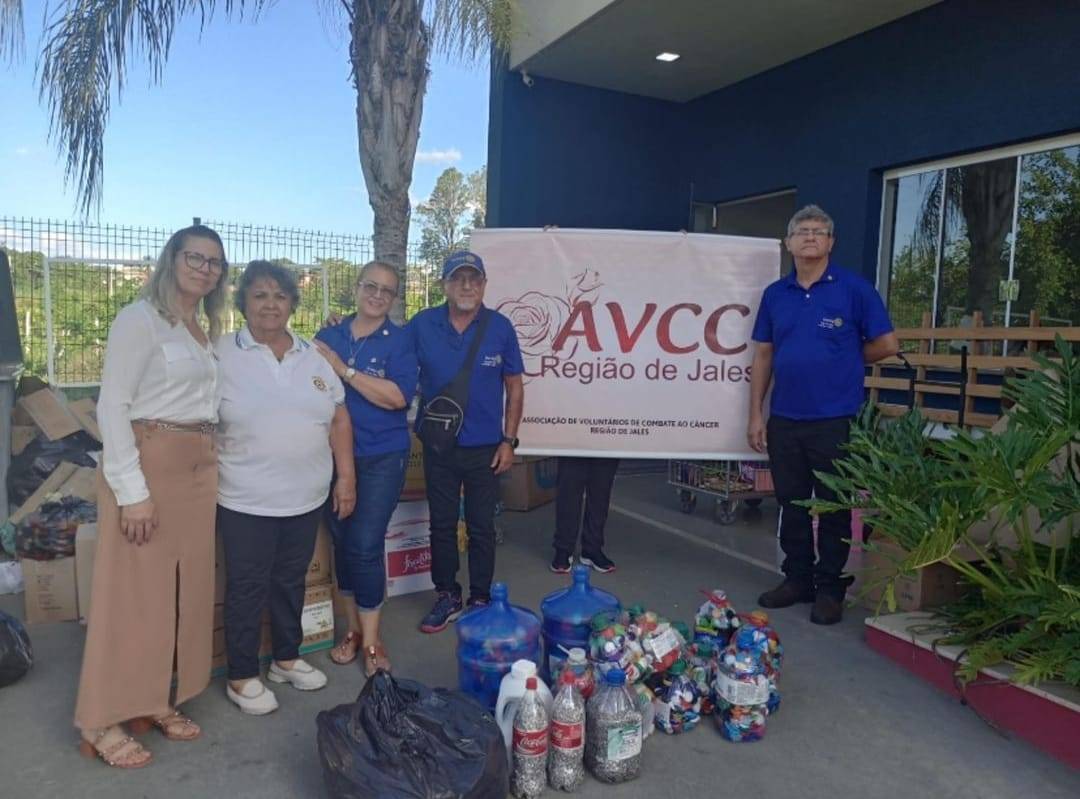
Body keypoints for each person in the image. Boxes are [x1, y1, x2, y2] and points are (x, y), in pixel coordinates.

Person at [74, 225, 228, 768]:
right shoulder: (138, 320)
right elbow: (112, 406)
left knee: (179, 594)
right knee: (133, 596)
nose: (204, 268)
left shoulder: (201, 330)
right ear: (172, 260)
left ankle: (154, 698)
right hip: (149, 468)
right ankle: (98, 717)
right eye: (195, 257)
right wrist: (132, 492)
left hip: (196, 472)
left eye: (214, 262)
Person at [214, 261, 356, 714]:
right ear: (244, 303)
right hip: (244, 498)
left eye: (279, 295)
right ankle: (240, 676)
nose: (270, 303)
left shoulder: (312, 355)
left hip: (305, 496)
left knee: (290, 581)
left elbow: (338, 416)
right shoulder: (220, 354)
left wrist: (346, 476)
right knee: (246, 586)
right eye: (259, 295)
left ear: (293, 303)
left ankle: (286, 659)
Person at [747, 205, 899, 625]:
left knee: (833, 506)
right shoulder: (776, 295)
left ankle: (830, 587)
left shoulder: (854, 289)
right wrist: (756, 415)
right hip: (785, 419)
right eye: (802, 231)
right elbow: (763, 355)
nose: (810, 236)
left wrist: (848, 358)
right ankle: (797, 579)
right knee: (791, 503)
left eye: (819, 231)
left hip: (837, 418)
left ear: (831, 242)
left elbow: (887, 344)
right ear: (789, 242)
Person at [408, 251, 524, 633]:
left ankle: (479, 597)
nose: (467, 286)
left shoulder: (500, 327)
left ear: (485, 285)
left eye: (474, 278)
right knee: (441, 524)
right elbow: (390, 352)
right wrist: (346, 329)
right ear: (444, 285)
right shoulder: (422, 324)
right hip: (439, 446)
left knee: (481, 526)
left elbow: (514, 386)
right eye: (458, 278)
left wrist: (509, 441)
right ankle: (447, 595)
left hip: (486, 448)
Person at [314, 261, 417, 675]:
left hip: (381, 457)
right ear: (356, 288)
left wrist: (345, 370)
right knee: (343, 545)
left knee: (365, 545)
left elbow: (397, 397)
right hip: (332, 458)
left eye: (386, 291)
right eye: (370, 286)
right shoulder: (329, 335)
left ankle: (373, 642)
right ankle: (354, 631)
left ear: (393, 300)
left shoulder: (400, 341)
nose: (377, 295)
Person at [551, 457, 620, 573]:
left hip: (606, 442)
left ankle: (592, 549)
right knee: (568, 492)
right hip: (572, 443)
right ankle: (563, 549)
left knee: (600, 493)